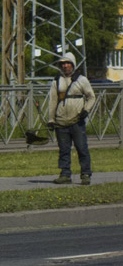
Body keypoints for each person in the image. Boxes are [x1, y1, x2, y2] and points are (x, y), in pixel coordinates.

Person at [45, 51, 95, 184]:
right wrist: (51, 120)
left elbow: (91, 97)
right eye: (63, 64)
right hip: (61, 122)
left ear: (72, 65)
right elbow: (53, 101)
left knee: (82, 148)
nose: (65, 66)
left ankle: (85, 174)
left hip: (77, 121)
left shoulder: (81, 80)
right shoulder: (57, 81)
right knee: (64, 150)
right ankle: (65, 174)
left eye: (68, 63)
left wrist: (86, 110)